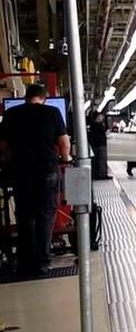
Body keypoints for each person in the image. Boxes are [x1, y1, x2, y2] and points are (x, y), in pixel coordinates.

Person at [0, 84, 70, 276]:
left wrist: (6, 159)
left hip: (21, 173)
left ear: (26, 97)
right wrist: (66, 157)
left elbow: (2, 146)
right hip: (47, 170)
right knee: (44, 217)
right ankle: (42, 263)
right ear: (44, 98)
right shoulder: (52, 112)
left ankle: (25, 262)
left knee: (24, 216)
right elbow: (64, 143)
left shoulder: (11, 114)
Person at [89, 112, 110, 179]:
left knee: (97, 160)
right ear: (97, 117)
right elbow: (104, 133)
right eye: (101, 116)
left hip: (95, 145)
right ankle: (102, 174)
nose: (102, 118)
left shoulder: (92, 125)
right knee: (102, 160)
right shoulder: (98, 125)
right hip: (100, 145)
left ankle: (98, 174)